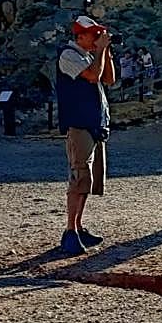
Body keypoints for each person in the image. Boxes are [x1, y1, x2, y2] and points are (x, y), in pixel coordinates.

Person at [55, 15, 115, 255]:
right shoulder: (68, 56)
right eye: (94, 34)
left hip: (93, 125)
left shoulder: (91, 56)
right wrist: (100, 51)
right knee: (79, 177)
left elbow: (108, 79)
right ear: (80, 36)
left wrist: (105, 51)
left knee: (88, 180)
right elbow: (92, 76)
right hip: (78, 125)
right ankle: (70, 231)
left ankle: (78, 227)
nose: (98, 37)